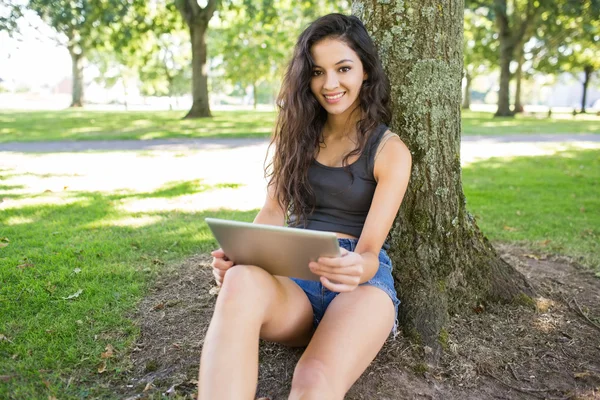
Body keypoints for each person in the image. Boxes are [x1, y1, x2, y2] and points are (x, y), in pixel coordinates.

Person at [199, 13, 412, 400]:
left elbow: (368, 253)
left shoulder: (390, 151)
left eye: (343, 68)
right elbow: (271, 215)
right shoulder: (296, 137)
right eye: (317, 72)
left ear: (365, 70)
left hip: (359, 285)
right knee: (240, 281)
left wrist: (353, 268)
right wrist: (239, 256)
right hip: (295, 275)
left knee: (313, 381)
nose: (329, 84)